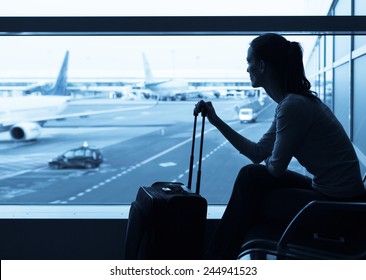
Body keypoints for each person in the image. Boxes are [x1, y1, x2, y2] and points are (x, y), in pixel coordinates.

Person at [196, 33, 366, 259]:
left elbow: (275, 167)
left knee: (253, 189)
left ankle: (216, 258)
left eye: (250, 62)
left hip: (338, 208)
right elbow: (258, 154)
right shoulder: (292, 103)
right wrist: (216, 121)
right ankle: (219, 256)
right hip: (336, 197)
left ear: (263, 65)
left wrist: (272, 156)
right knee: (251, 176)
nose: (247, 69)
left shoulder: (292, 107)